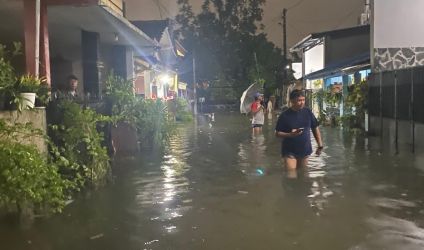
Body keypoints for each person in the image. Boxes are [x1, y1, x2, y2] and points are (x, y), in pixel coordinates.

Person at [275, 89, 323, 170]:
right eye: (299, 100)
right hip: (289, 151)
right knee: (291, 175)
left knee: (303, 175)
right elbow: (277, 133)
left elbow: (315, 127)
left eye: (303, 100)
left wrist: (320, 145)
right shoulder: (284, 115)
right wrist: (290, 134)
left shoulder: (307, 112)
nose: (302, 102)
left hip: (305, 150)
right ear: (292, 101)